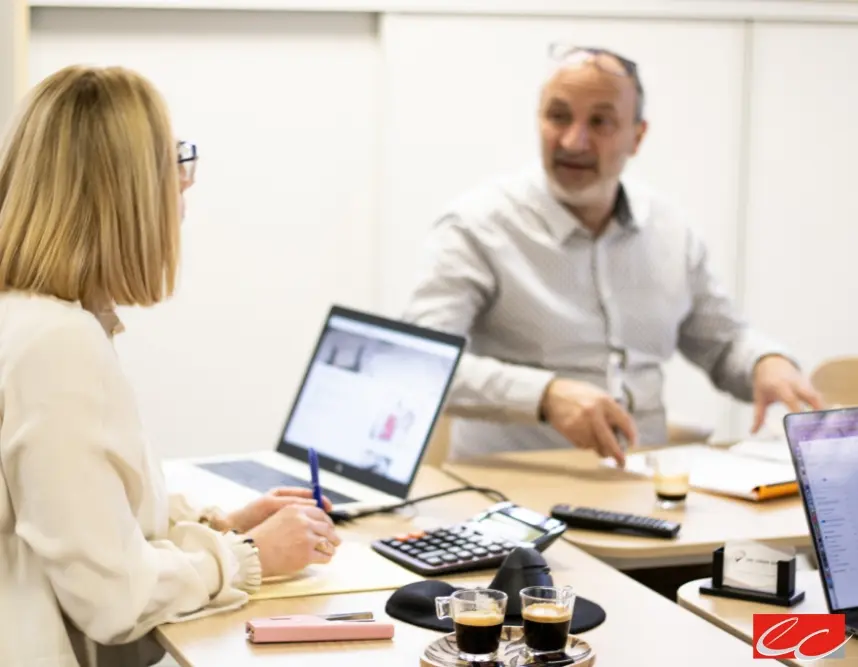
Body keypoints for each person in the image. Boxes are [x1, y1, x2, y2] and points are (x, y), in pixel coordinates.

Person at [0, 65, 341, 667]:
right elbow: (112, 598)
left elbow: (80, 521)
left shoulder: (30, 320)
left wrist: (221, 525)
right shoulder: (56, 343)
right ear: (127, 190)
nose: (186, 184)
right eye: (175, 161)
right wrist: (247, 556)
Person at [403, 44, 823, 465]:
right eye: (559, 116)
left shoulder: (669, 231)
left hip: (645, 483)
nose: (573, 140)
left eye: (600, 121)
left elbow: (722, 342)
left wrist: (765, 363)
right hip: (512, 493)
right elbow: (419, 362)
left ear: (637, 137)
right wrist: (544, 395)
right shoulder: (477, 225)